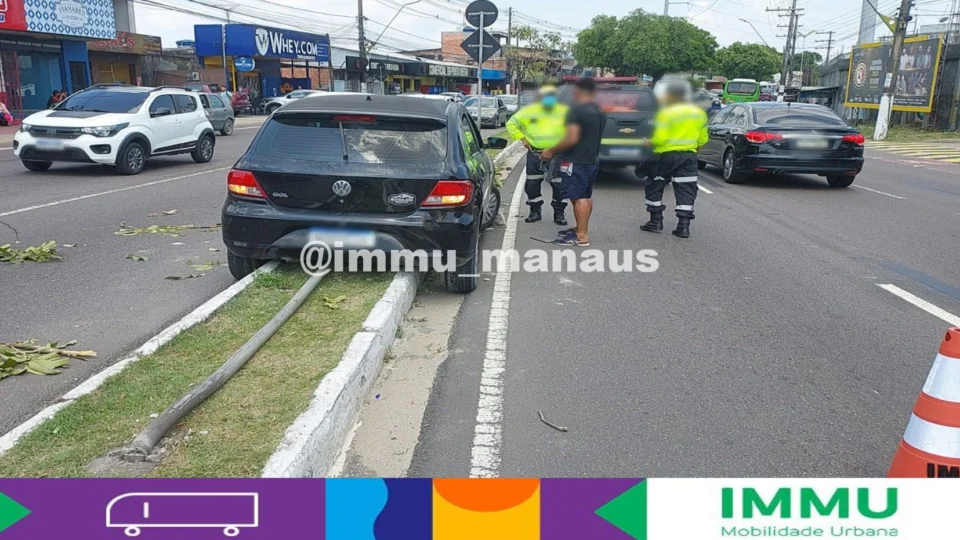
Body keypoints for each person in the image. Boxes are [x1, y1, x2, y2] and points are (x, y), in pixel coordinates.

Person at [639, 80, 708, 239]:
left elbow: (661, 139)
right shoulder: (699, 113)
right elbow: (702, 140)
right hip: (689, 156)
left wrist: (648, 142)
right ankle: (683, 226)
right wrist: (692, 153)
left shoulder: (666, 113)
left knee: (655, 185)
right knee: (686, 189)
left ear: (672, 95)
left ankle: (656, 222)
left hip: (664, 156)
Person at [543, 77, 605, 247]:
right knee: (585, 196)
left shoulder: (576, 111)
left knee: (577, 197)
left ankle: (581, 236)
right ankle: (580, 228)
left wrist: (550, 151)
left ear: (576, 91)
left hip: (576, 160)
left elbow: (571, 138)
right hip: (591, 159)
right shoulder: (599, 110)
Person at [505, 84, 570, 225]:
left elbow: (573, 130)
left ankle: (559, 213)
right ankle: (535, 211)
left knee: (560, 185)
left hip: (558, 154)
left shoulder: (565, 111)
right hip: (535, 153)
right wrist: (522, 138)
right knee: (532, 183)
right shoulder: (529, 111)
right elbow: (511, 124)